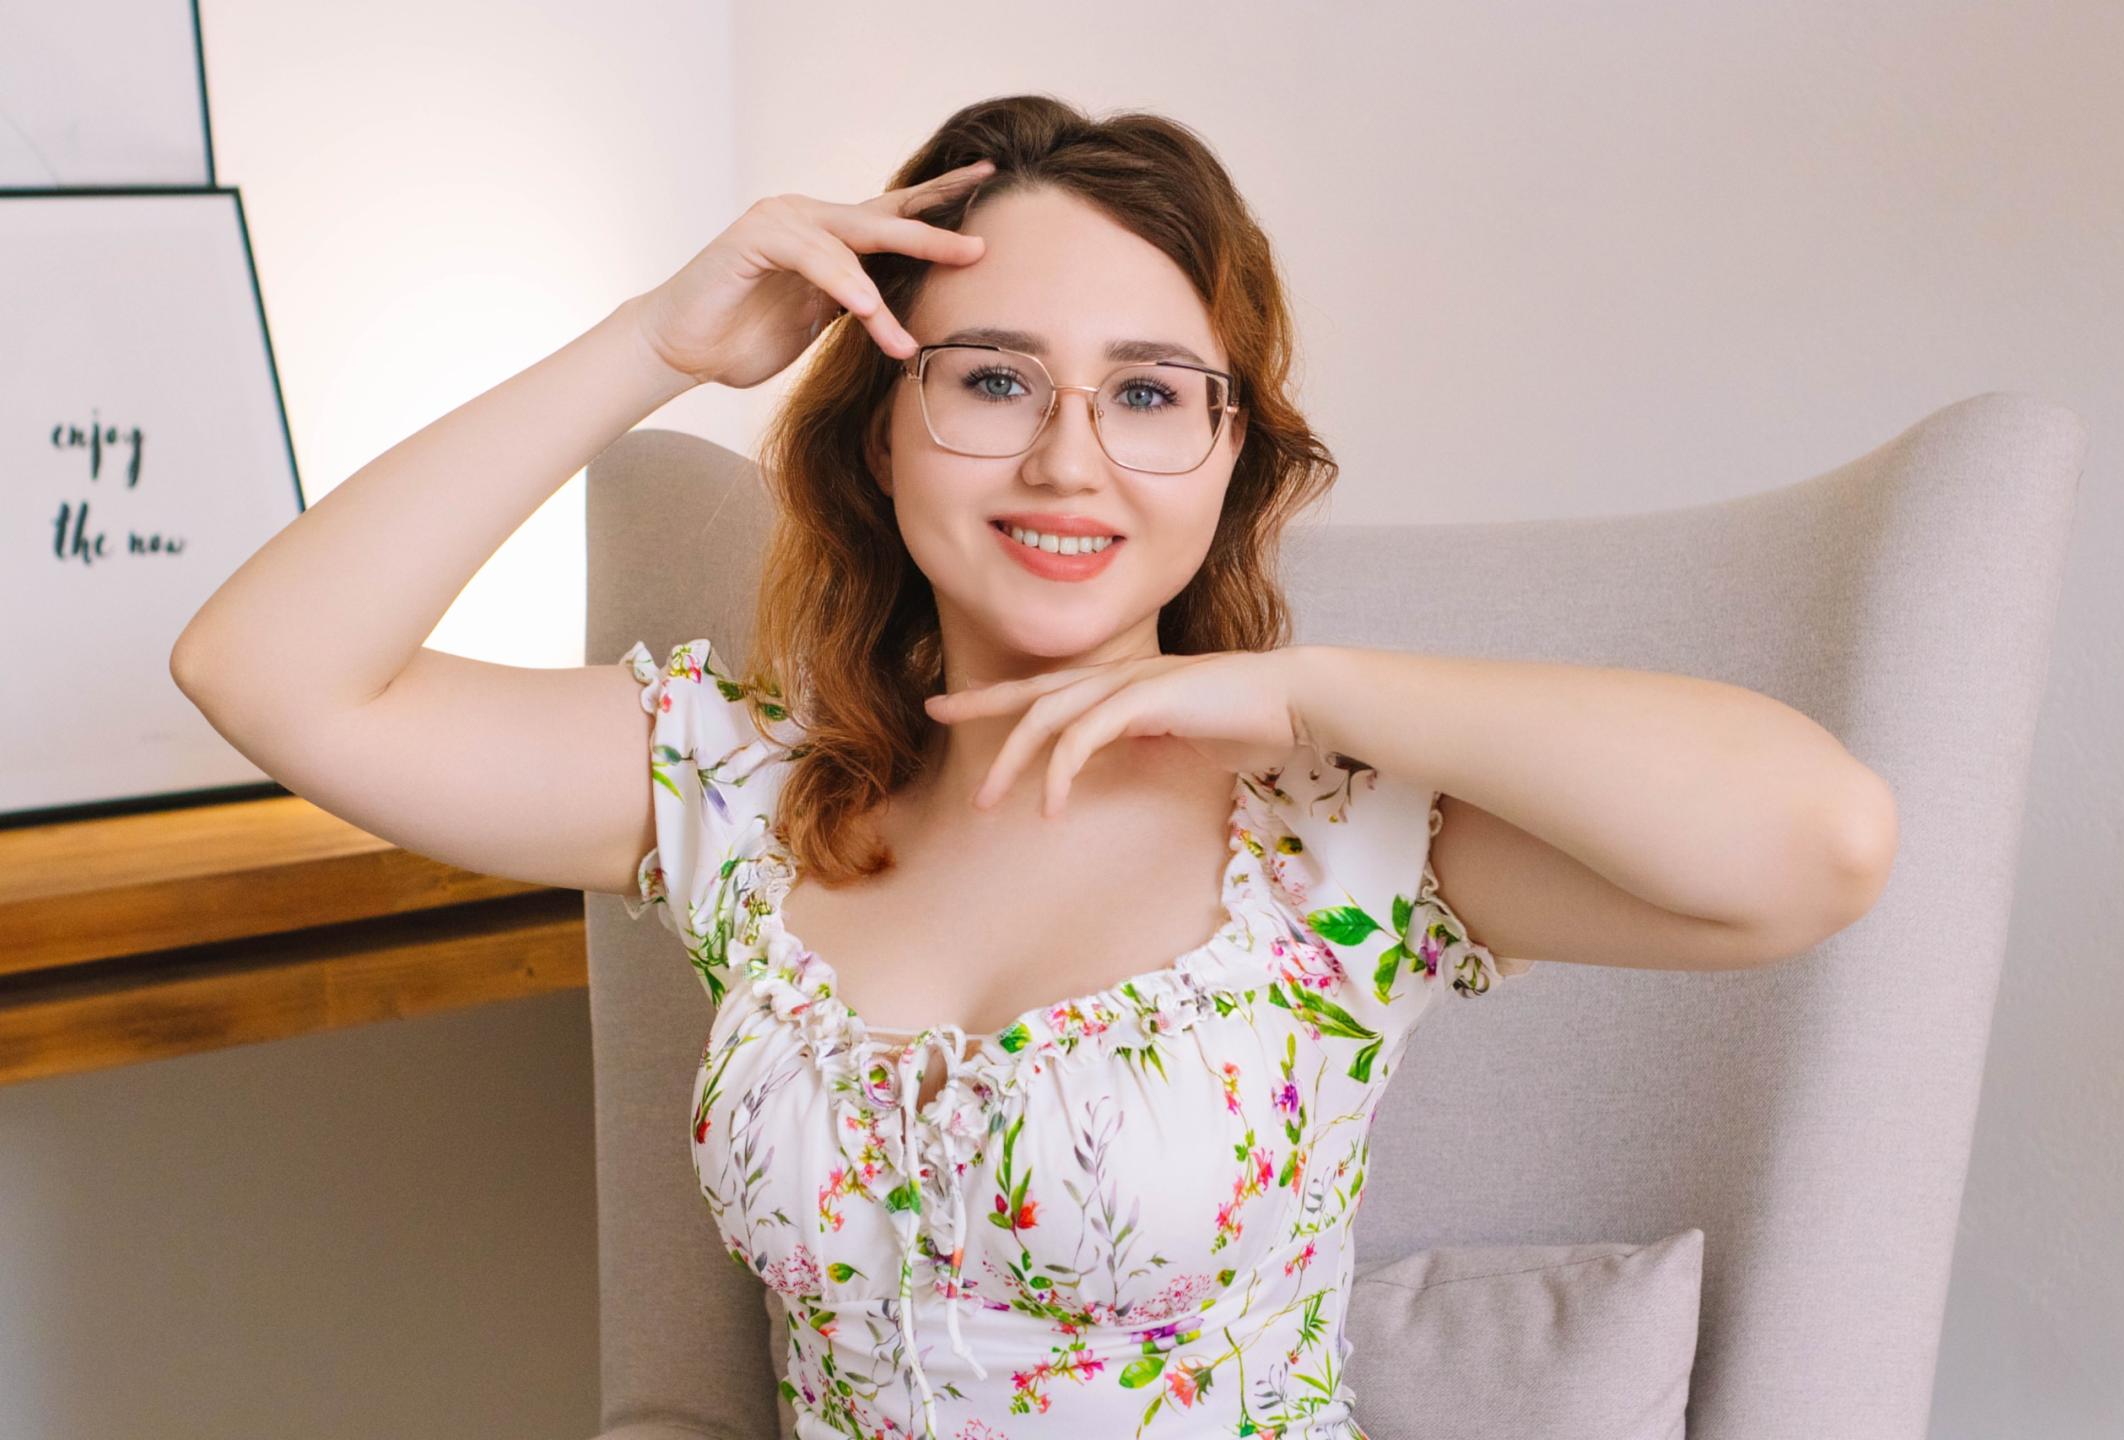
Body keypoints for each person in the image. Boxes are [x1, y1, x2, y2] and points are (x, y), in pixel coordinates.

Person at [173, 93, 1897, 1440]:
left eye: (1149, 396)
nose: (1070, 460)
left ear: (1230, 454)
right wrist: (653, 344)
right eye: (995, 380)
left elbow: (1820, 844)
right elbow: (263, 675)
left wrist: (1321, 692)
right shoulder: (739, 789)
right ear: (879, 432)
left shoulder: (1340, 839)